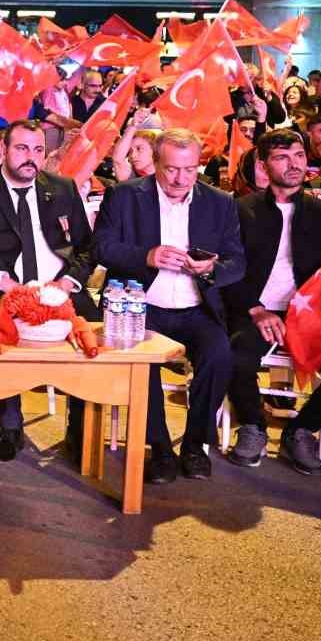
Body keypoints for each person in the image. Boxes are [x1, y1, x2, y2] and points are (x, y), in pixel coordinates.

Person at [94, 129, 246, 484]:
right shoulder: (125, 196)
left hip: (197, 308)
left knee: (220, 356)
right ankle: (159, 449)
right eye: (172, 169)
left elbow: (237, 263)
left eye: (190, 169)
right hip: (140, 308)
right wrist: (146, 256)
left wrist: (211, 269)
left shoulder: (220, 202)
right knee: (142, 365)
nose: (181, 179)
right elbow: (101, 247)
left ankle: (195, 445)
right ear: (156, 163)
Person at [0, 120, 100, 460]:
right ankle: (11, 425)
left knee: (95, 326)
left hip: (60, 290)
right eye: (21, 149)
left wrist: (68, 282)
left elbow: (89, 249)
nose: (30, 158)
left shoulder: (62, 189)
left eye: (37, 150)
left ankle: (79, 429)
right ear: (4, 149)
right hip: (5, 289)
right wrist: (2, 281)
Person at [223, 130, 321, 476]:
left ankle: (301, 431)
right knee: (235, 356)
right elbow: (224, 271)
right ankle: (252, 425)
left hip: (310, 315)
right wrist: (256, 309)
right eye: (282, 157)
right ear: (263, 165)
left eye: (299, 156)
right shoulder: (239, 211)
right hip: (254, 310)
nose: (294, 164)